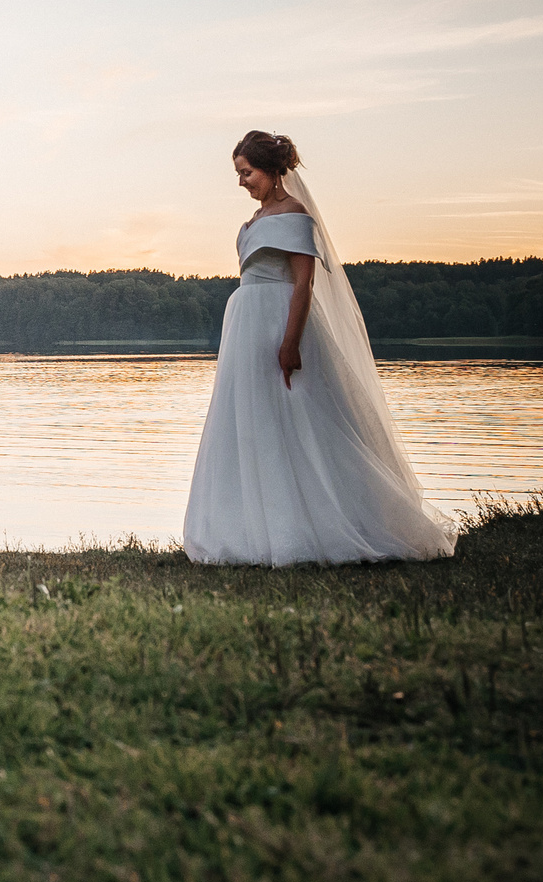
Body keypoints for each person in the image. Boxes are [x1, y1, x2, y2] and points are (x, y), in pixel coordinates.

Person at [183, 130, 455, 565]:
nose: (241, 182)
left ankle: (320, 525)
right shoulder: (252, 221)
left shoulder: (295, 215)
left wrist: (290, 342)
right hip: (245, 327)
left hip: (278, 322)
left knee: (299, 420)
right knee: (252, 420)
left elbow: (304, 284)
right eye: (238, 174)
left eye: (247, 173)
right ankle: (249, 527)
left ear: (271, 171)